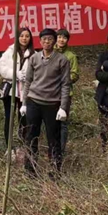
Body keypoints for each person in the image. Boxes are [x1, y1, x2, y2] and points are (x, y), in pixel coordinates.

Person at [21, 28, 71, 175]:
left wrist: (63, 107)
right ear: (40, 41)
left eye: (50, 39)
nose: (47, 42)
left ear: (54, 41)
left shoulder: (62, 60)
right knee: (31, 136)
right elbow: (28, 81)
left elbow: (65, 84)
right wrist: (24, 103)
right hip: (33, 102)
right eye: (44, 39)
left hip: (52, 104)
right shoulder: (34, 58)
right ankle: (30, 169)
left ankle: (55, 169)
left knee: (53, 138)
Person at [0, 28, 34, 148]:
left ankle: (22, 145)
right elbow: (2, 68)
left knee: (24, 118)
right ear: (17, 37)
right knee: (9, 118)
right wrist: (15, 74)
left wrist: (27, 76)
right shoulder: (10, 51)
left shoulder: (33, 54)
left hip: (26, 91)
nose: (24, 38)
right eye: (22, 36)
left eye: (27, 36)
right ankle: (9, 147)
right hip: (11, 90)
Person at [54, 28, 78, 155]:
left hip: (65, 94)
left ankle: (61, 152)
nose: (61, 40)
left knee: (63, 123)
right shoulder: (49, 52)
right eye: (59, 37)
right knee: (50, 122)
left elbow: (75, 74)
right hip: (49, 93)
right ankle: (52, 149)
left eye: (64, 38)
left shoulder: (71, 56)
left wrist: (63, 79)